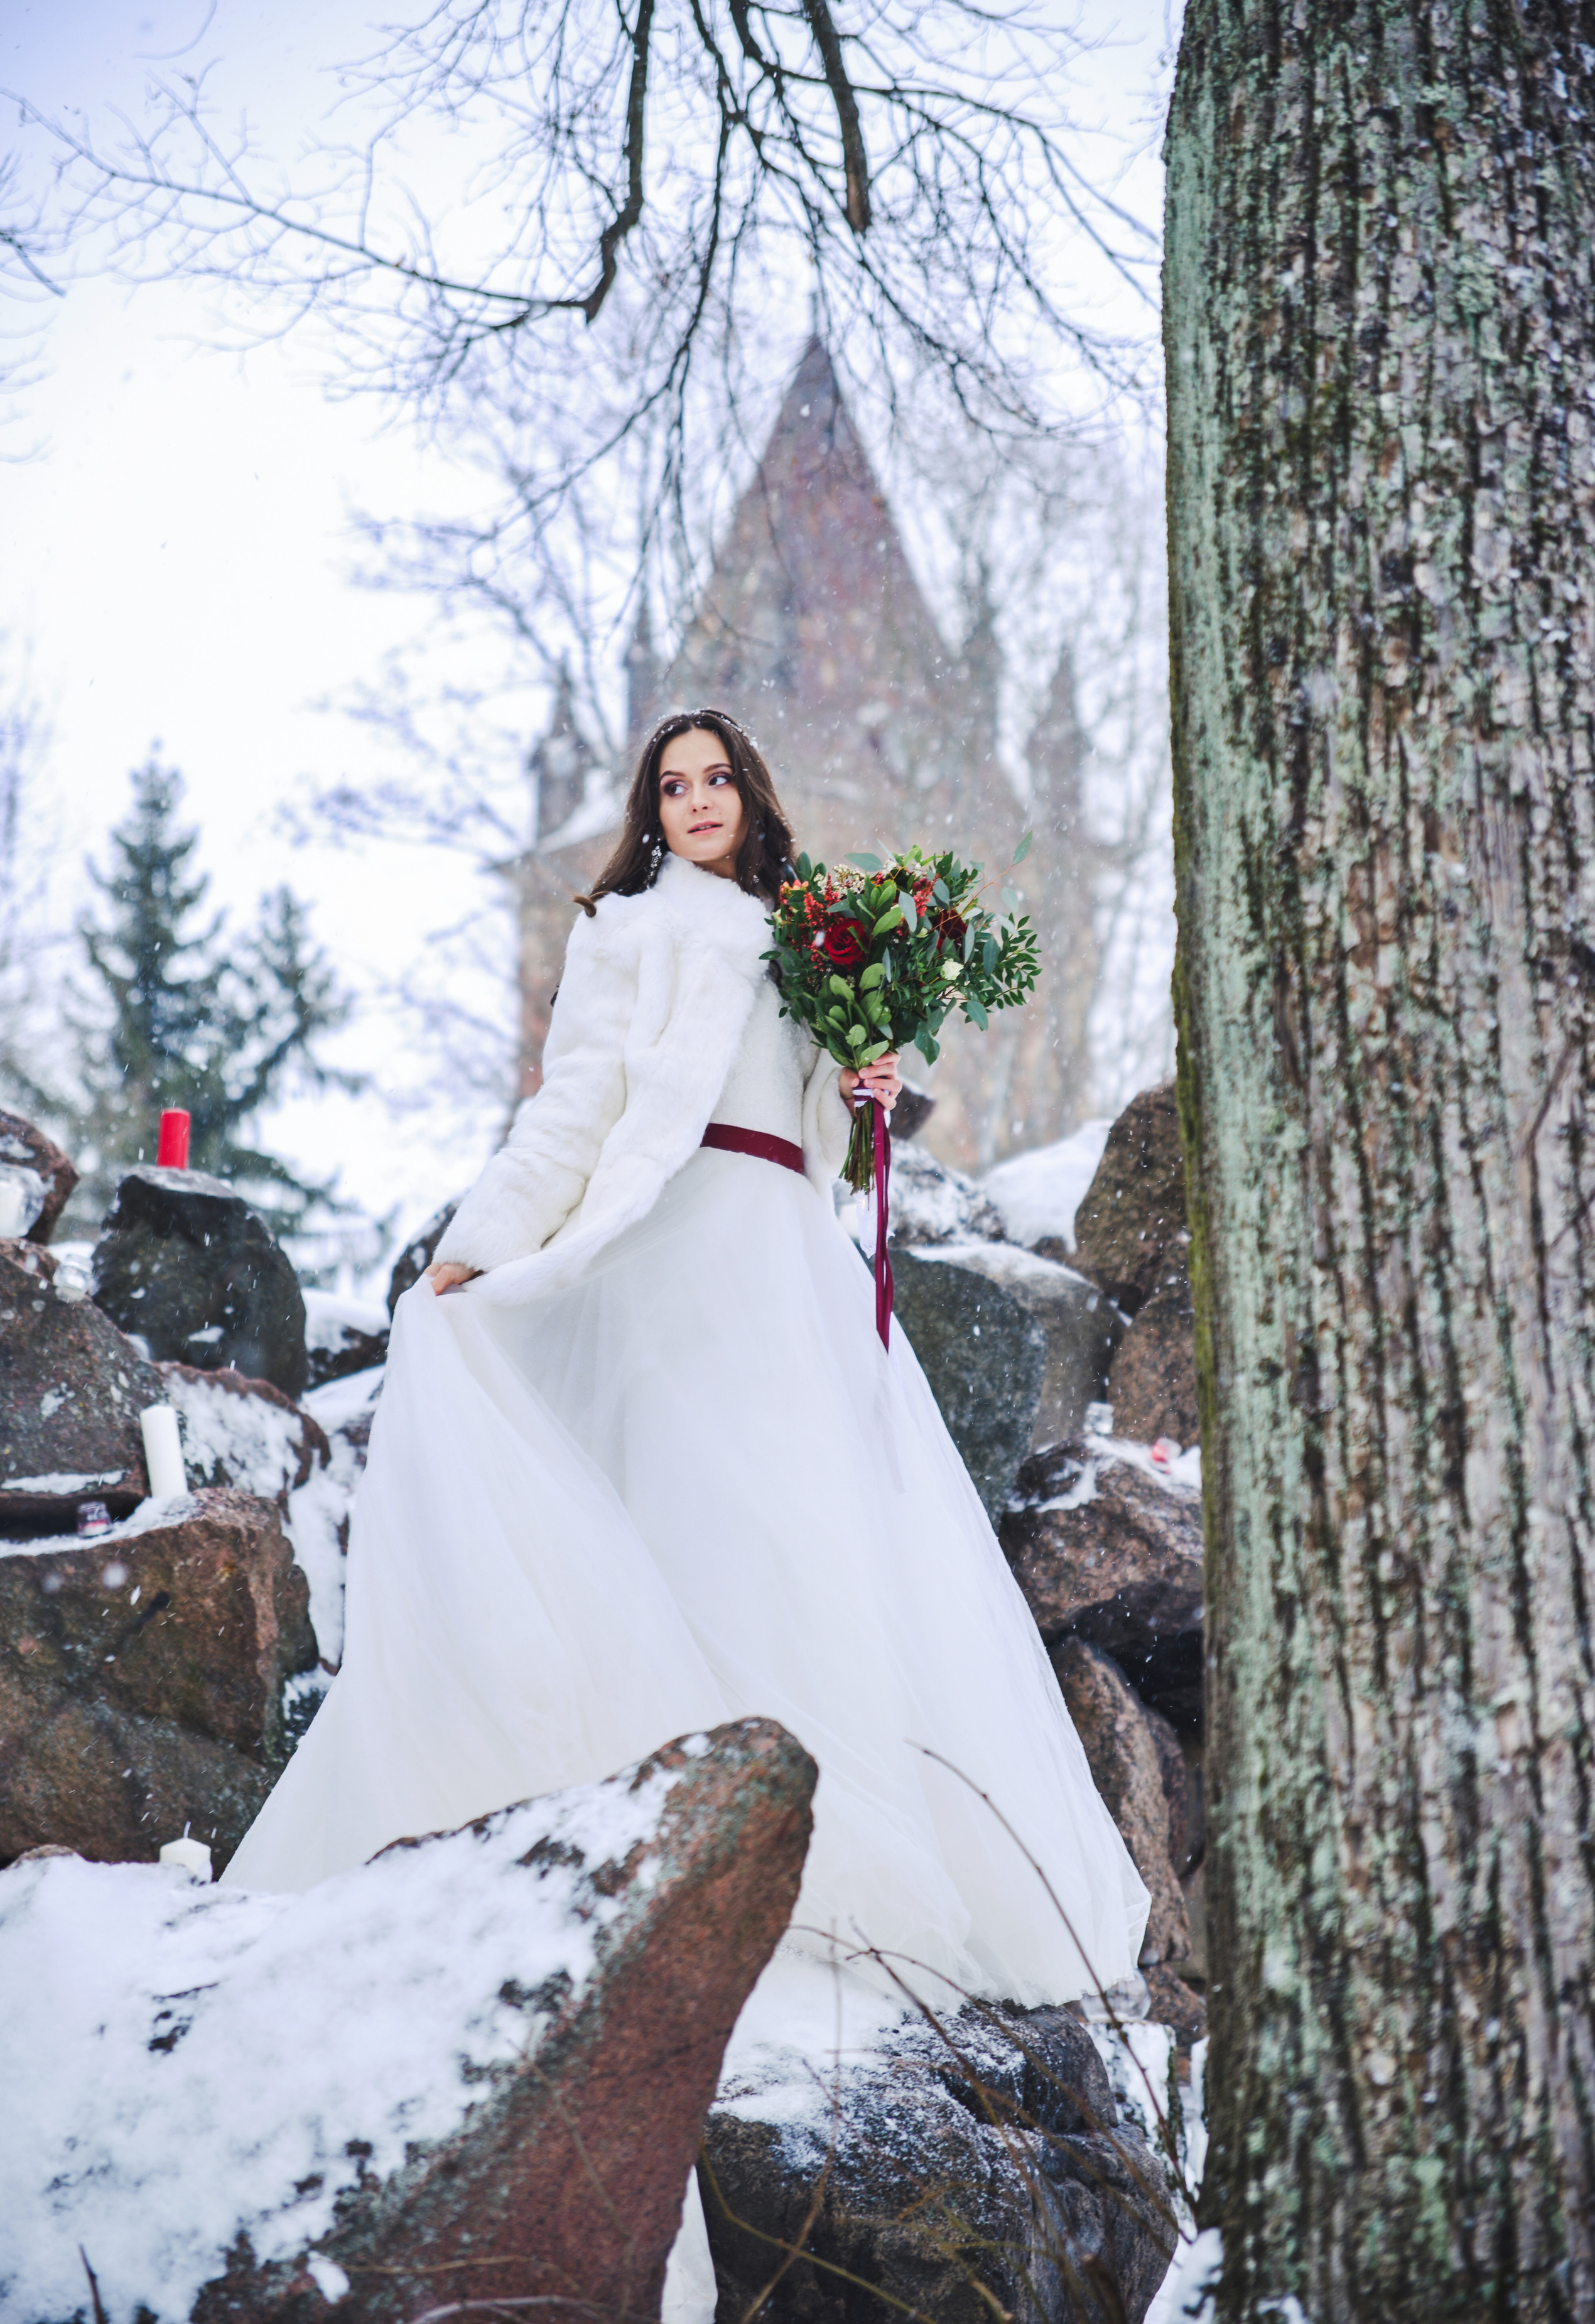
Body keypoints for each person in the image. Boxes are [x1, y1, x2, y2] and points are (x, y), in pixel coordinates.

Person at [224, 710, 1149, 2306]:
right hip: (659, 1262)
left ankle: (822, 1865)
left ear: (752, 799)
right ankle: (675, 1837)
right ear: (652, 810)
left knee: (801, 1544)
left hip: (777, 1260)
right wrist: (479, 1242)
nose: (700, 802)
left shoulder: (812, 937)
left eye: (719, 781)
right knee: (678, 1528)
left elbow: (817, 1146)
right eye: (675, 785)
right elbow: (574, 1110)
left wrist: (871, 1088)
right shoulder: (625, 935)